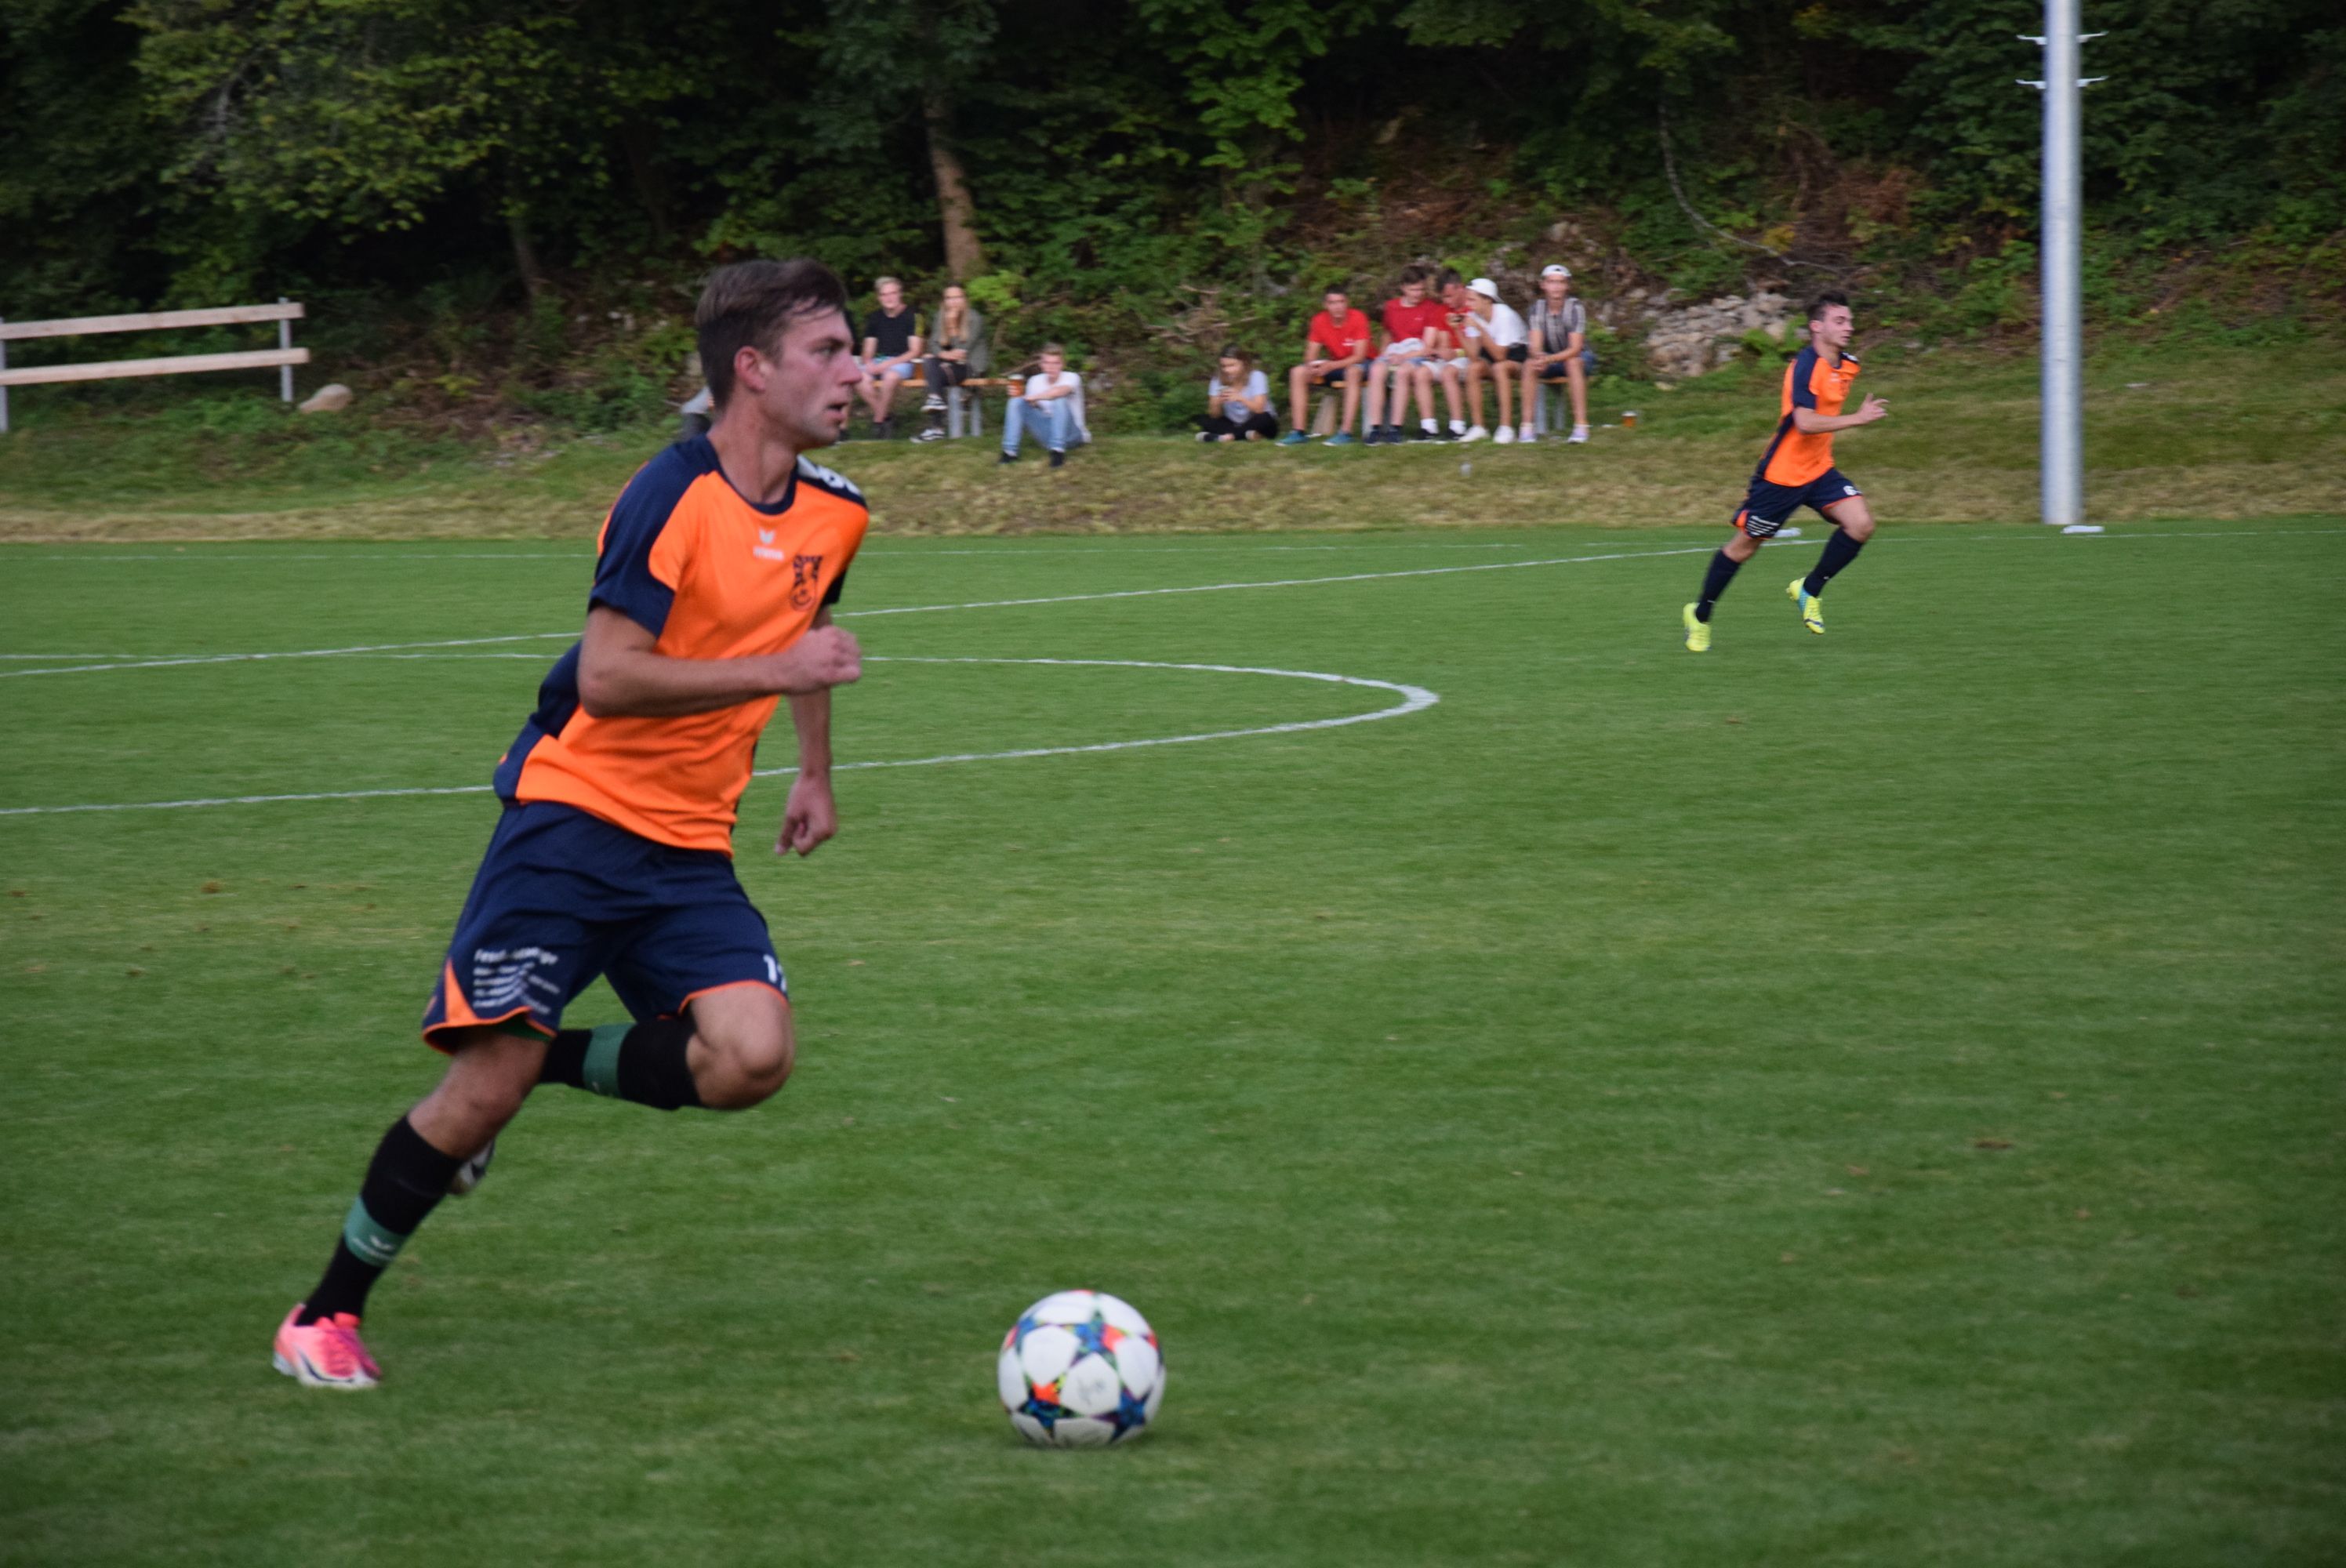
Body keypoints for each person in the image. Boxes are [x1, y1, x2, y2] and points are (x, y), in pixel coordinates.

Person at [270, 258, 871, 1389]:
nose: (857, 371)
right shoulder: (668, 496)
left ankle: (542, 1062)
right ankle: (324, 1312)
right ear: (752, 369)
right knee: (477, 1089)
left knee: (752, 1056)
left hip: (689, 845)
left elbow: (808, 637)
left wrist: (814, 773)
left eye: (854, 349)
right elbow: (607, 675)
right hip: (573, 822)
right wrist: (777, 669)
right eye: (828, 351)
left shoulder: (837, 510)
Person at [1682, 291, 1886, 652]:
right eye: (1840, 321)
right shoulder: (1804, 366)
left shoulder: (1847, 365)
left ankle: (1809, 589)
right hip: (1782, 477)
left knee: (1861, 524)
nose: (1849, 327)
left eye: (1850, 321)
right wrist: (1857, 418)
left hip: (1819, 471)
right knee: (1744, 548)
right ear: (1816, 326)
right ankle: (1700, 615)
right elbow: (1804, 423)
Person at [1361, 265, 1452, 445]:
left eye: (1421, 289)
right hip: (1395, 350)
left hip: (1417, 351)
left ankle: (1396, 427)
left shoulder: (1430, 308)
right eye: (1413, 290)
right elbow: (1388, 333)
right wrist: (1383, 355)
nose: (1418, 294)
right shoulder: (1392, 307)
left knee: (1402, 372)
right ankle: (1375, 427)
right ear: (1403, 288)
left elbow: (1427, 346)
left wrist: (1403, 357)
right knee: (1376, 370)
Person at [1277, 285, 1370, 445]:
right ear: (1326, 305)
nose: (1338, 307)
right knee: (1298, 372)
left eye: (1341, 302)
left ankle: (1346, 432)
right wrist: (1312, 366)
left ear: (1347, 302)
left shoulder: (1358, 317)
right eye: (1333, 303)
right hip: (1335, 364)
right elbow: (1310, 354)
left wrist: (1331, 366)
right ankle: (1298, 432)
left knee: (1353, 372)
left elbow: (1360, 356)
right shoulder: (1319, 320)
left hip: (1363, 363)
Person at [1451, 276, 1528, 444]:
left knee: (1500, 368)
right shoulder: (1474, 315)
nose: (1468, 304)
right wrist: (1457, 330)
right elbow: (1473, 356)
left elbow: (1500, 356)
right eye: (1467, 299)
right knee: (1473, 369)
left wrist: (1479, 328)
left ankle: (1506, 427)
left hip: (1518, 357)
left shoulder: (1504, 315)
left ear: (1487, 300)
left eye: (1472, 300)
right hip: (1492, 355)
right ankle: (1479, 427)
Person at [1521, 263, 1589, 445]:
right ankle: (1526, 427)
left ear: (1567, 285)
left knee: (1573, 362)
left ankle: (1581, 426)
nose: (1556, 287)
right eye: (1552, 282)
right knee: (1529, 365)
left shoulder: (1575, 307)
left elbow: (1575, 348)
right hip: (1549, 356)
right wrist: (1539, 356)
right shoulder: (1537, 308)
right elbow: (1535, 344)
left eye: (1560, 282)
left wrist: (1549, 358)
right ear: (1543, 285)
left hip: (1578, 357)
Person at [913, 282, 989, 443]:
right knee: (929, 360)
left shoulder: (974, 319)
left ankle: (936, 428)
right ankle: (935, 401)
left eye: (957, 297)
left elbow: (962, 350)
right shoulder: (940, 316)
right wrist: (943, 354)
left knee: (935, 371)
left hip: (971, 365)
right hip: (948, 364)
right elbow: (933, 344)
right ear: (944, 301)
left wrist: (952, 326)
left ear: (964, 299)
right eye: (949, 298)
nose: (953, 302)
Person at [855, 275, 924, 438]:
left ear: (900, 294)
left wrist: (887, 364)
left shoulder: (914, 316)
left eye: (893, 293)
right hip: (880, 360)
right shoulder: (875, 318)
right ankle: (887, 417)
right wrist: (868, 362)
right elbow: (868, 350)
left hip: (904, 362)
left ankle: (879, 423)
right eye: (884, 295)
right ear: (879, 298)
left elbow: (915, 351)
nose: (889, 298)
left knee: (890, 376)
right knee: (858, 378)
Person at [999, 344, 1082, 468]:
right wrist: (1019, 397)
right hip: (1047, 433)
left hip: (1071, 435)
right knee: (1016, 402)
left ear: (1062, 364)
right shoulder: (1034, 381)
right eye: (1047, 363)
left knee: (1059, 400)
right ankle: (1010, 452)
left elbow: (1058, 392)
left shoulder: (1072, 377)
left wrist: (1035, 397)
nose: (1051, 367)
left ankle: (1058, 452)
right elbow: (1033, 405)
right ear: (1041, 364)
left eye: (1055, 363)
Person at [1196, 347, 1278, 442]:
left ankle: (1224, 437)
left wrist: (1240, 398)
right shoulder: (1217, 380)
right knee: (1205, 420)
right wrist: (1217, 402)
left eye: (1232, 366)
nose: (1227, 370)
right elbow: (1214, 415)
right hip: (1233, 422)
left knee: (1265, 418)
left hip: (1255, 420)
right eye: (1224, 366)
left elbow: (1259, 409)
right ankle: (1246, 435)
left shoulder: (1256, 376)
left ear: (1243, 364)